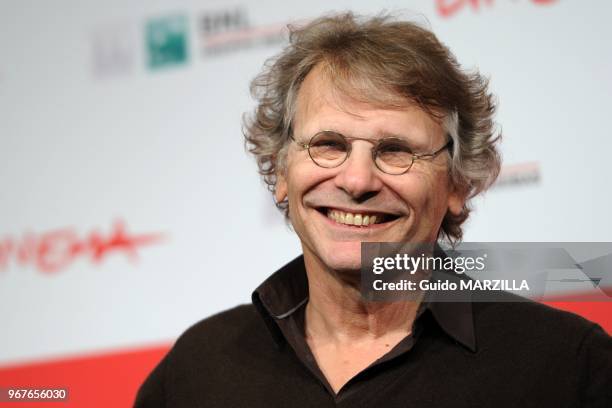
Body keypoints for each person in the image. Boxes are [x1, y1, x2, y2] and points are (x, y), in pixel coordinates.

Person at [135, 12, 612, 407]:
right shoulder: (196, 374)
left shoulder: (567, 368)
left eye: (396, 150)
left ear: (458, 184)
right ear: (281, 172)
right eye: (328, 144)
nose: (358, 180)